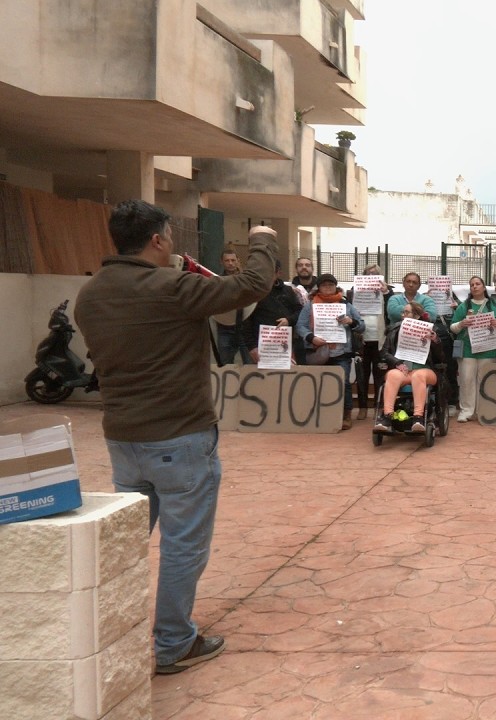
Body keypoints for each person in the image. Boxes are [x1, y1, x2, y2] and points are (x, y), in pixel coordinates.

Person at [75, 200, 275, 674]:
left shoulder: (90, 295)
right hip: (180, 437)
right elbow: (252, 285)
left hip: (123, 439)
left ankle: (99, 633)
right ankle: (172, 643)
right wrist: (262, 238)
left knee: (124, 542)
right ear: (157, 240)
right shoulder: (170, 287)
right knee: (183, 545)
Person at [296, 273, 365, 430]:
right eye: (324, 285)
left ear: (336, 287)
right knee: (316, 382)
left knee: (344, 382)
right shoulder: (311, 305)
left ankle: (346, 413)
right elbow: (300, 326)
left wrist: (351, 321)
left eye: (331, 285)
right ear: (318, 287)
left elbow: (362, 326)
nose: (328, 288)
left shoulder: (346, 305)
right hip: (317, 351)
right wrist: (311, 337)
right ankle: (316, 413)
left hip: (342, 352)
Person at [375, 302, 443, 434]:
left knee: (419, 376)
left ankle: (418, 417)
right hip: (403, 369)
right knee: (392, 375)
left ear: (416, 316)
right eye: (403, 312)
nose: (403, 315)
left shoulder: (431, 330)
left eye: (406, 312)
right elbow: (384, 352)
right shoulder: (394, 330)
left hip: (425, 370)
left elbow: (440, 357)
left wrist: (435, 341)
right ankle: (387, 416)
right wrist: (397, 363)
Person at [450, 276, 496, 422]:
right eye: (472, 285)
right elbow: (452, 327)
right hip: (467, 349)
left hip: (488, 348)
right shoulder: (464, 306)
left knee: (485, 380)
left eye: (477, 284)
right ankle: (466, 410)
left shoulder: (494, 305)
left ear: (483, 287)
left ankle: (484, 410)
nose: (474, 287)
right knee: (466, 380)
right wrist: (462, 323)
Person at [350, 264, 393, 420]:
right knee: (362, 375)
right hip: (362, 339)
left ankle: (378, 406)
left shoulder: (387, 293)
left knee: (379, 374)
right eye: (368, 274)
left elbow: (392, 312)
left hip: (380, 339)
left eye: (375, 274)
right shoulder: (355, 293)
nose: (371, 277)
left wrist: (386, 292)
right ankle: (362, 407)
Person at [243, 259, 304, 362]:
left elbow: (299, 312)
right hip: (259, 346)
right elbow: (245, 321)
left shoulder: (288, 291)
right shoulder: (253, 292)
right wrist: (251, 346)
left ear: (278, 273)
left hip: (285, 345)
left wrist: (289, 320)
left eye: (270, 272)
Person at [212, 248, 254, 364]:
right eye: (227, 261)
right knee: (226, 366)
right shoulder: (216, 281)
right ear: (221, 262)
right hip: (224, 328)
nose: (230, 263)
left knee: (250, 367)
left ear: (238, 261)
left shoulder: (247, 280)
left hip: (245, 329)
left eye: (233, 260)